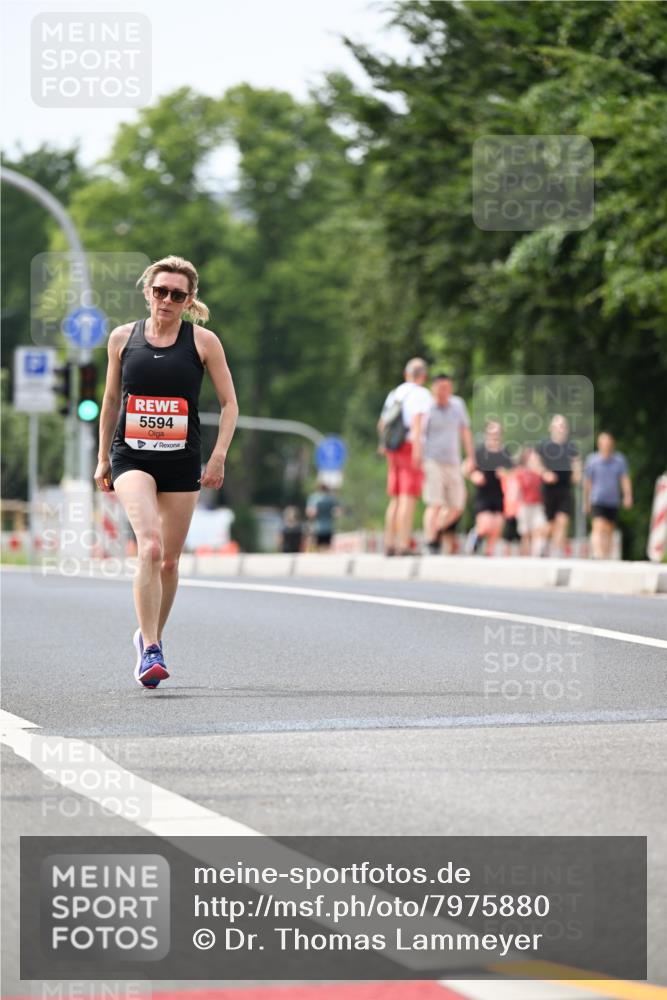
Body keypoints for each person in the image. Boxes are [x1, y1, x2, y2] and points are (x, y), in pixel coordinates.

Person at [94, 255, 239, 688]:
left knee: (172, 562)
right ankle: (152, 651)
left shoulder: (203, 342)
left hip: (181, 460)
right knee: (151, 548)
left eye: (177, 294)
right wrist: (103, 457)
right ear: (147, 292)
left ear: (189, 299)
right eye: (161, 291)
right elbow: (110, 401)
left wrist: (218, 457)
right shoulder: (123, 338)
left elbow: (230, 404)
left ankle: (148, 634)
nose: (167, 300)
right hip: (131, 457)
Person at [412, 373, 475, 554]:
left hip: (453, 462)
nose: (444, 392)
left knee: (457, 505)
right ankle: (430, 540)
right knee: (435, 502)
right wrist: (417, 455)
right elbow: (418, 432)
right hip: (432, 460)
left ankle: (437, 529)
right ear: (434, 389)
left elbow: (465, 432)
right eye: (440, 388)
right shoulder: (427, 408)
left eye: (447, 388)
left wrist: (470, 457)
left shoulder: (458, 405)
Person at [378, 358, 432, 555]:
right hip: (410, 446)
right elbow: (417, 423)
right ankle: (403, 543)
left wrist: (383, 445)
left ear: (406, 373)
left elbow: (382, 424)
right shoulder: (422, 394)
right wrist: (418, 452)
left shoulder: (395, 393)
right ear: (423, 376)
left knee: (395, 497)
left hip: (393, 448)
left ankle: (389, 542)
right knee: (408, 497)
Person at [534, 414, 581, 557]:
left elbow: (577, 462)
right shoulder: (544, 445)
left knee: (563, 520)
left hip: (565, 488)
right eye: (558, 426)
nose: (561, 429)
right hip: (549, 490)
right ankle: (540, 545)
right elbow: (534, 463)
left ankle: (556, 553)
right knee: (550, 524)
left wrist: (577, 474)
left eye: (563, 426)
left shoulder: (571, 447)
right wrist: (544, 473)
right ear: (551, 428)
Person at [583, 432, 633, 559]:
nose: (606, 447)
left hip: (612, 501)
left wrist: (628, 495)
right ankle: (598, 554)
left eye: (608, 444)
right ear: (599, 445)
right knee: (598, 526)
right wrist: (586, 501)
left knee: (609, 530)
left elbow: (624, 479)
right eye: (603, 444)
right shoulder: (592, 460)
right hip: (597, 499)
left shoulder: (619, 460)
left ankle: (605, 556)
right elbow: (587, 483)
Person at [467, 422, 513, 556]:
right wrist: (474, 475)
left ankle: (488, 553)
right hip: (483, 494)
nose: (495, 436)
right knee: (486, 525)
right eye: (492, 433)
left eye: (497, 433)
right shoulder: (479, 452)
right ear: (487, 434)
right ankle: (475, 535)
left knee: (497, 527)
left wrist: (505, 474)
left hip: (498, 494)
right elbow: (465, 468)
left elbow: (513, 471)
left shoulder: (504, 453)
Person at [515, 447, 546, 556]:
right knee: (526, 533)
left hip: (537, 505)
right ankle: (525, 556)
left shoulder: (540, 472)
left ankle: (536, 554)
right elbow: (517, 490)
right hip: (524, 505)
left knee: (539, 528)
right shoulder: (521, 472)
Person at [305, 483, 340, 551]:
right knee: (325, 549)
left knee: (317, 549)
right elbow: (337, 512)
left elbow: (310, 512)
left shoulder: (314, 498)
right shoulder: (330, 498)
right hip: (326, 527)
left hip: (319, 527)